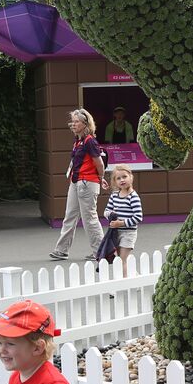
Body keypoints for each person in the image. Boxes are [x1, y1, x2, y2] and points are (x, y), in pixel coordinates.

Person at [49, 109, 105, 261]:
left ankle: (101, 251)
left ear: (85, 123)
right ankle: (61, 250)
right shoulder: (78, 141)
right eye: (72, 122)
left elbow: (99, 163)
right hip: (77, 182)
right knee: (70, 217)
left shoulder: (89, 141)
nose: (72, 125)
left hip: (86, 183)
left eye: (76, 122)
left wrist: (101, 177)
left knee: (90, 219)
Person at [103, 166, 144, 272]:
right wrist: (111, 214)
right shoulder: (114, 196)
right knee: (119, 259)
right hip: (115, 233)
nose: (122, 180)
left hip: (128, 234)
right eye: (118, 178)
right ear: (115, 182)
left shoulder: (133, 197)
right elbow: (106, 211)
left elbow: (138, 217)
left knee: (122, 259)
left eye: (124, 177)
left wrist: (121, 223)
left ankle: (126, 284)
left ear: (131, 177)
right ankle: (135, 278)